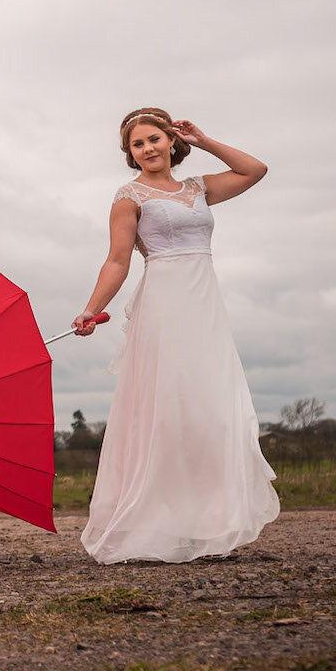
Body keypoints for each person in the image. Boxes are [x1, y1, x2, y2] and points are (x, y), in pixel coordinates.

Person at [69, 108, 278, 564]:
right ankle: (154, 521)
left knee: (213, 409)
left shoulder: (198, 188)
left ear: (170, 141)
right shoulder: (129, 197)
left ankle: (205, 522)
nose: (147, 149)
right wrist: (92, 309)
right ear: (131, 155)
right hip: (163, 304)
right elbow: (118, 261)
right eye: (137, 145)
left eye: (153, 140)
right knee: (168, 411)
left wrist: (204, 139)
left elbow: (255, 170)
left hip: (205, 306)